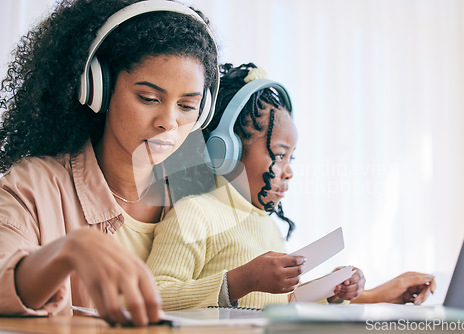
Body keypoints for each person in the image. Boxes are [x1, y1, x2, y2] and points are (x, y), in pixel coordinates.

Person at [0, 0, 218, 327]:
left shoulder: (197, 200)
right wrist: (68, 251)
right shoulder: (33, 187)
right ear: (97, 88)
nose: (169, 123)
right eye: (148, 98)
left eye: (187, 105)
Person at [145, 63, 369, 311]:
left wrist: (331, 290)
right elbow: (154, 296)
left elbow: (278, 303)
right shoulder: (196, 214)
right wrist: (242, 280)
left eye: (290, 158)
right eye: (279, 155)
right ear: (227, 151)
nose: (289, 171)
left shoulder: (268, 226)